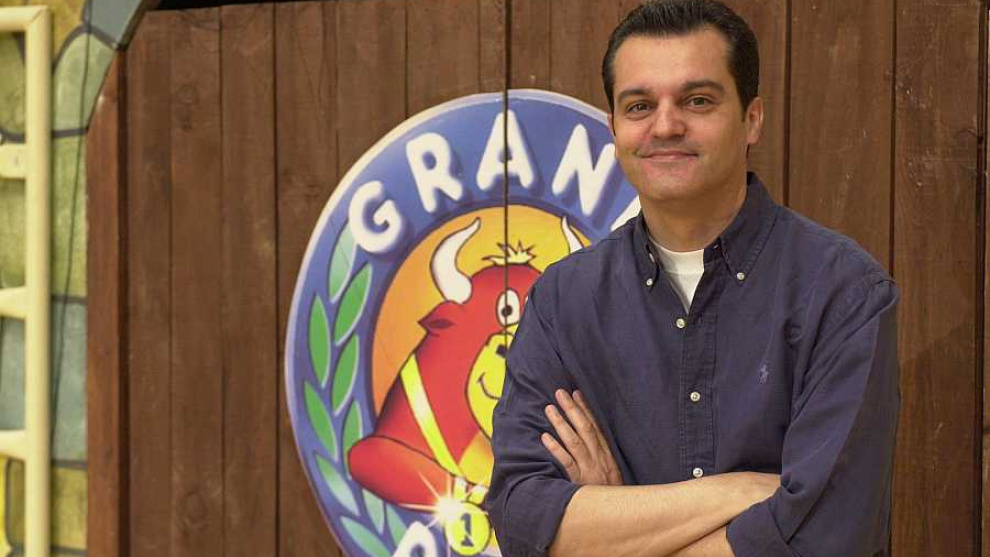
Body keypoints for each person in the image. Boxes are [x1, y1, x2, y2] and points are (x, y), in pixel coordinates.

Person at [482, 1, 900, 556]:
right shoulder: (563, 301)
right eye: (639, 106)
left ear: (752, 119)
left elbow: (826, 539)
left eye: (697, 100)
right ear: (614, 129)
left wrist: (614, 530)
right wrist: (741, 492)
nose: (665, 126)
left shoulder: (843, 294)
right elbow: (521, 518)